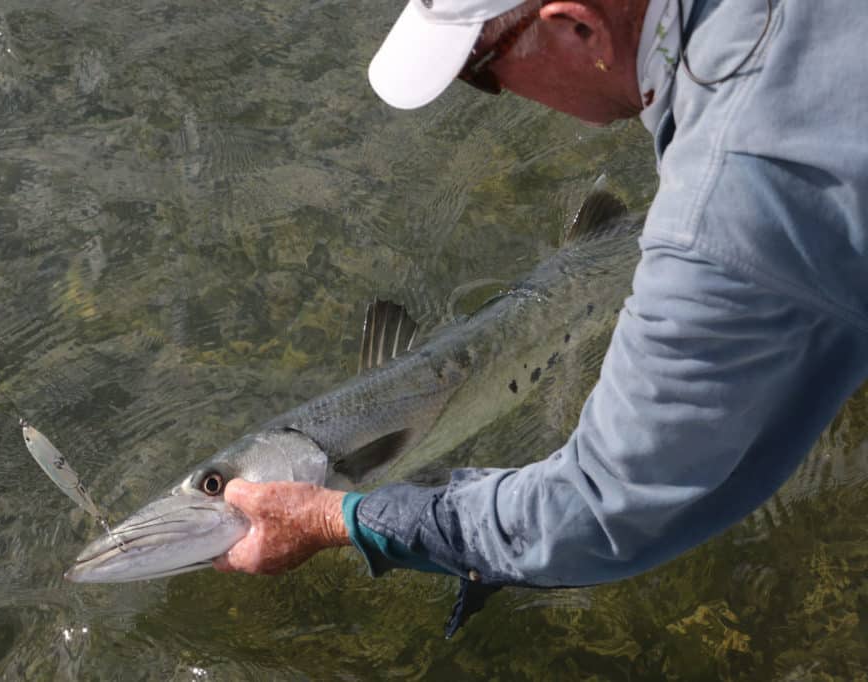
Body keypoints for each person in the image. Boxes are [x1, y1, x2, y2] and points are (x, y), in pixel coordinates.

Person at [213, 0, 868, 632]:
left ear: (578, 26)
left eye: (480, 73)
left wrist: (341, 520)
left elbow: (592, 515)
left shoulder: (718, 220)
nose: (490, 87)